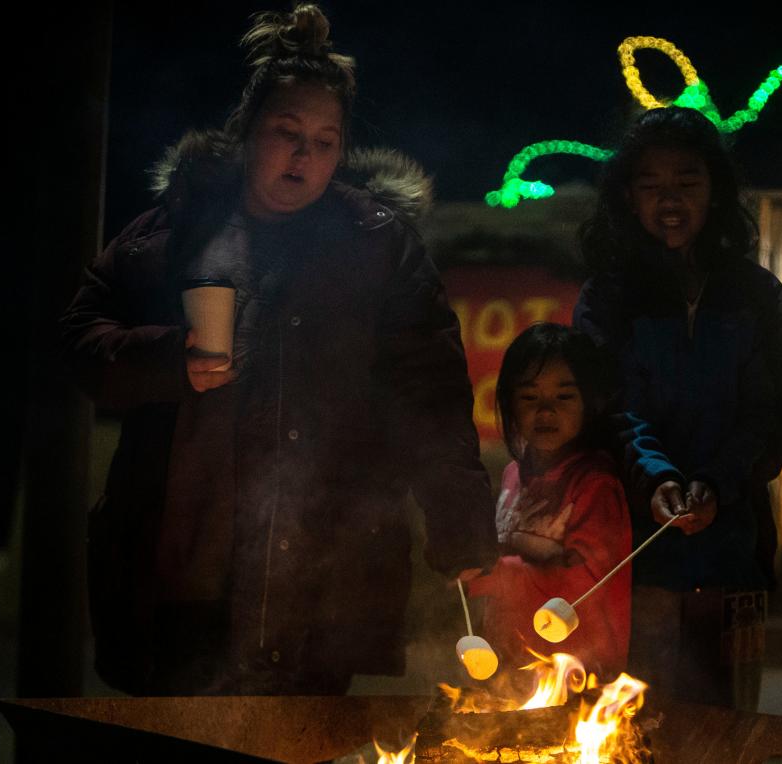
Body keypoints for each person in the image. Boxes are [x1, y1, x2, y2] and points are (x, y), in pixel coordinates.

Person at [60, 4, 497, 696]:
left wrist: (459, 519)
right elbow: (81, 343)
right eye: (287, 134)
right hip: (181, 567)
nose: (305, 157)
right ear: (247, 134)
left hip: (321, 576)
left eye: (325, 142)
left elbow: (431, 397)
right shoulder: (171, 234)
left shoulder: (377, 247)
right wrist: (171, 360)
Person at [574, 106, 782, 710]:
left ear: (717, 191)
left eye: (687, 181)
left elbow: (775, 410)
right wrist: (657, 480)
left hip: (734, 556)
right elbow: (609, 408)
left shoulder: (756, 293)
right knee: (629, 729)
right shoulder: (608, 296)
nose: (669, 199)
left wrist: (715, 485)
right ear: (627, 197)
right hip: (634, 558)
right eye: (651, 185)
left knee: (725, 727)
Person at [467, 323, 631, 684]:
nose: (545, 412)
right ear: (509, 404)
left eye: (564, 397)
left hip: (575, 674)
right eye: (529, 398)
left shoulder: (595, 484)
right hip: (514, 669)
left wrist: (498, 575)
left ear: (589, 403)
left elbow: (586, 586)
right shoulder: (513, 474)